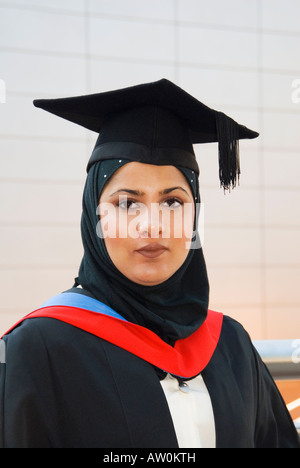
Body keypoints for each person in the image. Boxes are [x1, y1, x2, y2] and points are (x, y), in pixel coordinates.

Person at [0, 79, 299, 449]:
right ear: (95, 217)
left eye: (173, 202)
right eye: (127, 203)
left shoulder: (231, 345)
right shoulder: (34, 351)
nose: (152, 223)